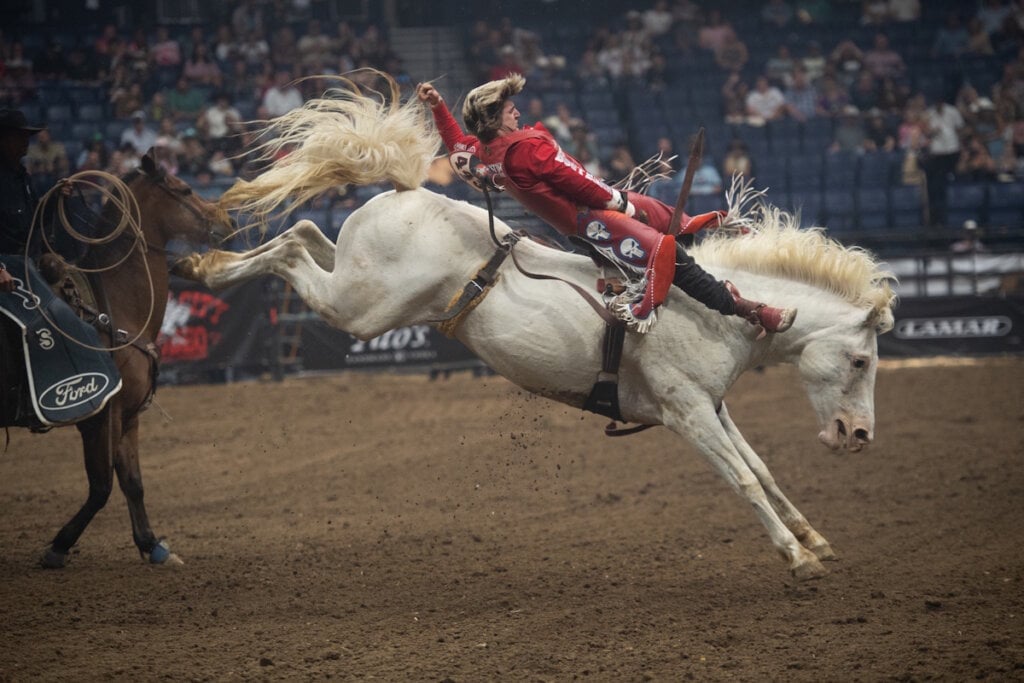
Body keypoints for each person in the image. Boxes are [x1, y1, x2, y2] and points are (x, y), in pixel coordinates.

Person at [415, 76, 795, 334]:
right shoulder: (526, 148)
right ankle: (748, 312)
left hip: (585, 218)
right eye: (508, 108)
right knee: (670, 253)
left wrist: (438, 107)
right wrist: (618, 202)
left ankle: (727, 243)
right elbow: (575, 182)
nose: (517, 111)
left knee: (674, 222)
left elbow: (457, 144)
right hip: (593, 219)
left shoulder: (488, 152)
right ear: (495, 120)